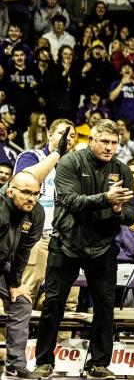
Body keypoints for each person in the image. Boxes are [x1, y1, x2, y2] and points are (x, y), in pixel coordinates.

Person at [34, 119, 134, 380]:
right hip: (66, 242)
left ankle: (99, 364)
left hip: (102, 246)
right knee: (53, 304)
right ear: (91, 141)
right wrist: (106, 199)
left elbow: (131, 214)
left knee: (104, 306)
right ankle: (44, 361)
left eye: (114, 143)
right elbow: (70, 201)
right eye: (104, 141)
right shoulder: (70, 162)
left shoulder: (122, 170)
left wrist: (118, 209)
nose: (109, 147)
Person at [12, 119, 75, 306]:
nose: (68, 139)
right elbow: (27, 180)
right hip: (37, 239)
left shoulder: (76, 164)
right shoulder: (31, 156)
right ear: (49, 134)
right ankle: (13, 337)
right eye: (62, 134)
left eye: (71, 136)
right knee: (25, 296)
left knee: (66, 301)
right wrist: (57, 153)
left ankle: (63, 337)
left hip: (67, 242)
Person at [0, 172, 45, 380]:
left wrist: (16, 284)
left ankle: (14, 368)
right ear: (10, 192)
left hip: (4, 265)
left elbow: (23, 252)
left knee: (22, 303)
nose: (32, 198)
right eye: (26, 193)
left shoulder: (36, 213)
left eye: (36, 194)